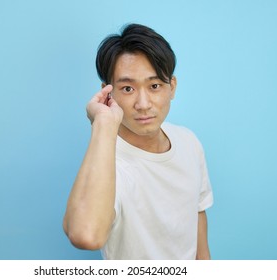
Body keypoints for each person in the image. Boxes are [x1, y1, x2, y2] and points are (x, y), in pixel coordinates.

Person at [63, 23, 213, 260]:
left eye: (154, 86)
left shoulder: (189, 142)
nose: (143, 103)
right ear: (108, 93)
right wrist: (103, 123)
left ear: (171, 87)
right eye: (128, 88)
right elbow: (86, 235)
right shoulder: (107, 164)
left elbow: (197, 217)